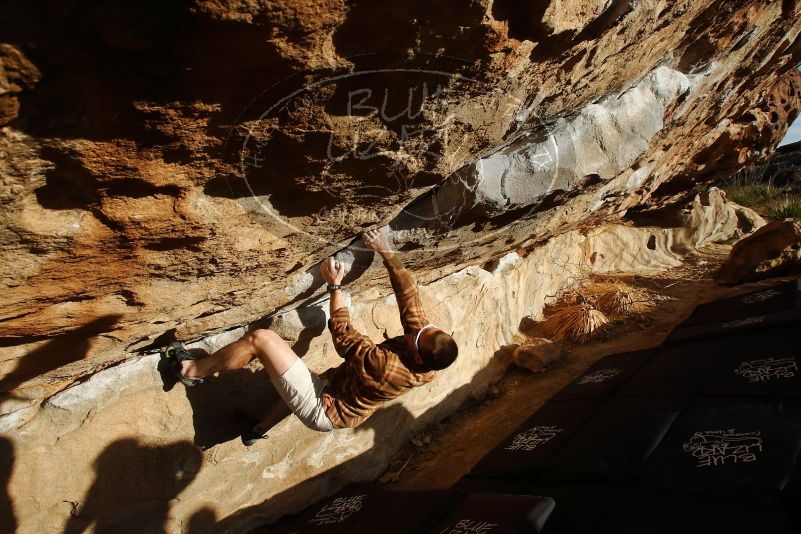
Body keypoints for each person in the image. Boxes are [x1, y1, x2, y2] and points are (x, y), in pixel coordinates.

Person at [162, 228, 458, 442]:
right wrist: (386, 251)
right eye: (426, 328)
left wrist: (335, 285)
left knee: (262, 340)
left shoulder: (388, 368)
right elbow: (410, 298)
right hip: (338, 392)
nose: (419, 327)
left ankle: (190, 370)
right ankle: (256, 431)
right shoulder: (427, 354)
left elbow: (343, 335)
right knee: (299, 378)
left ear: (418, 354)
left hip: (324, 409)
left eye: (420, 333)